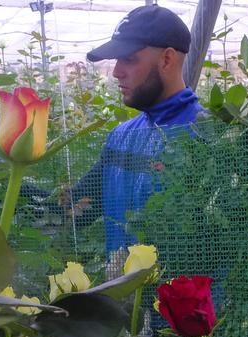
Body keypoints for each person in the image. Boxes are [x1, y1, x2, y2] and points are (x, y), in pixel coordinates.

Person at [68, 5, 205, 260]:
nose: (116, 71)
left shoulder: (206, 136)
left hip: (178, 298)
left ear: (166, 59)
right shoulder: (121, 136)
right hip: (120, 294)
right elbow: (80, 205)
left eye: (129, 59)